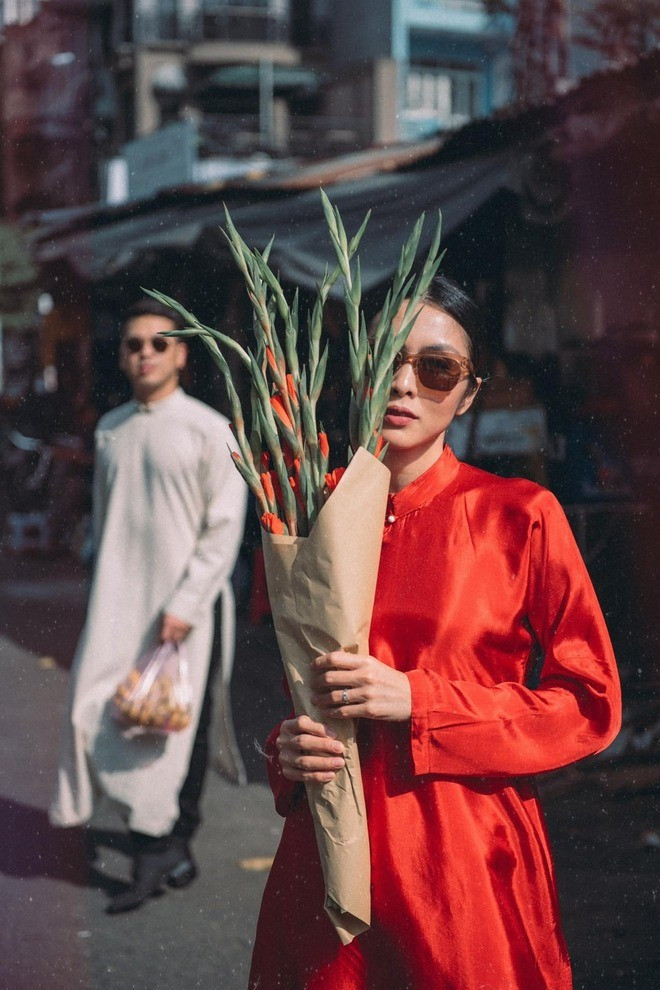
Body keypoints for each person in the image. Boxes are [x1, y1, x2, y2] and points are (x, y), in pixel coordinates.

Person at [248, 275, 621, 989]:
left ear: (470, 391)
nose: (404, 383)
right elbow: (303, 688)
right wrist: (285, 750)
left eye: (437, 368)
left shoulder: (519, 515)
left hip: (460, 867)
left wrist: (421, 702)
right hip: (331, 860)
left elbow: (590, 701)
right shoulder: (307, 511)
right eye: (386, 357)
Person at [49, 299, 247, 913]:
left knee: (169, 727)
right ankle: (159, 840)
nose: (145, 354)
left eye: (159, 343)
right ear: (121, 355)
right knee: (92, 710)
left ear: (181, 354)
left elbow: (224, 528)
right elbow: (106, 520)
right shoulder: (112, 428)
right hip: (117, 602)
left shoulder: (210, 429)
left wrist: (186, 603)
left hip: (186, 609)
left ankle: (159, 846)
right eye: (133, 344)